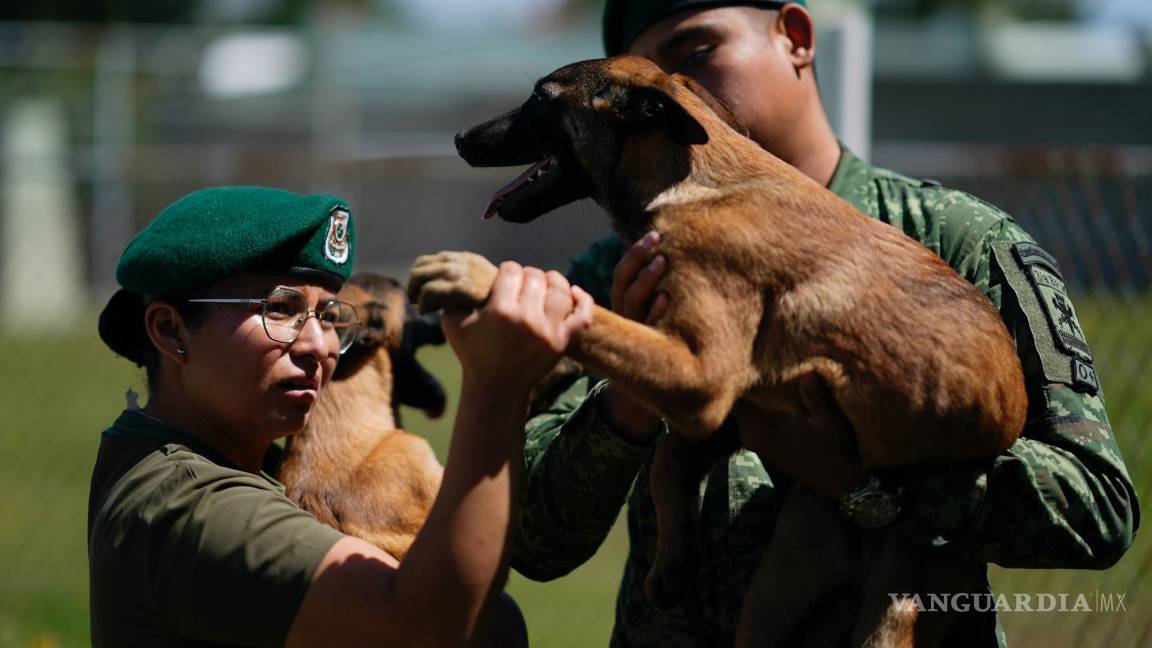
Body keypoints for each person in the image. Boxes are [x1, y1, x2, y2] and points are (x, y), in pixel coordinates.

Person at [509, 2, 1140, 646]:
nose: (672, 98)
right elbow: (532, 540)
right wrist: (638, 389)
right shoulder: (614, 277)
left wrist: (868, 484)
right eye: (646, 85)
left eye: (696, 57)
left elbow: (1096, 509)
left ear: (797, 39)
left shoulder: (953, 240)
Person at [89, 186, 594, 646]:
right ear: (171, 332)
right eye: (279, 309)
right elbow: (432, 628)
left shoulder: (225, 456)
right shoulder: (191, 507)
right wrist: (497, 387)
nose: (318, 346)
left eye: (329, 315)